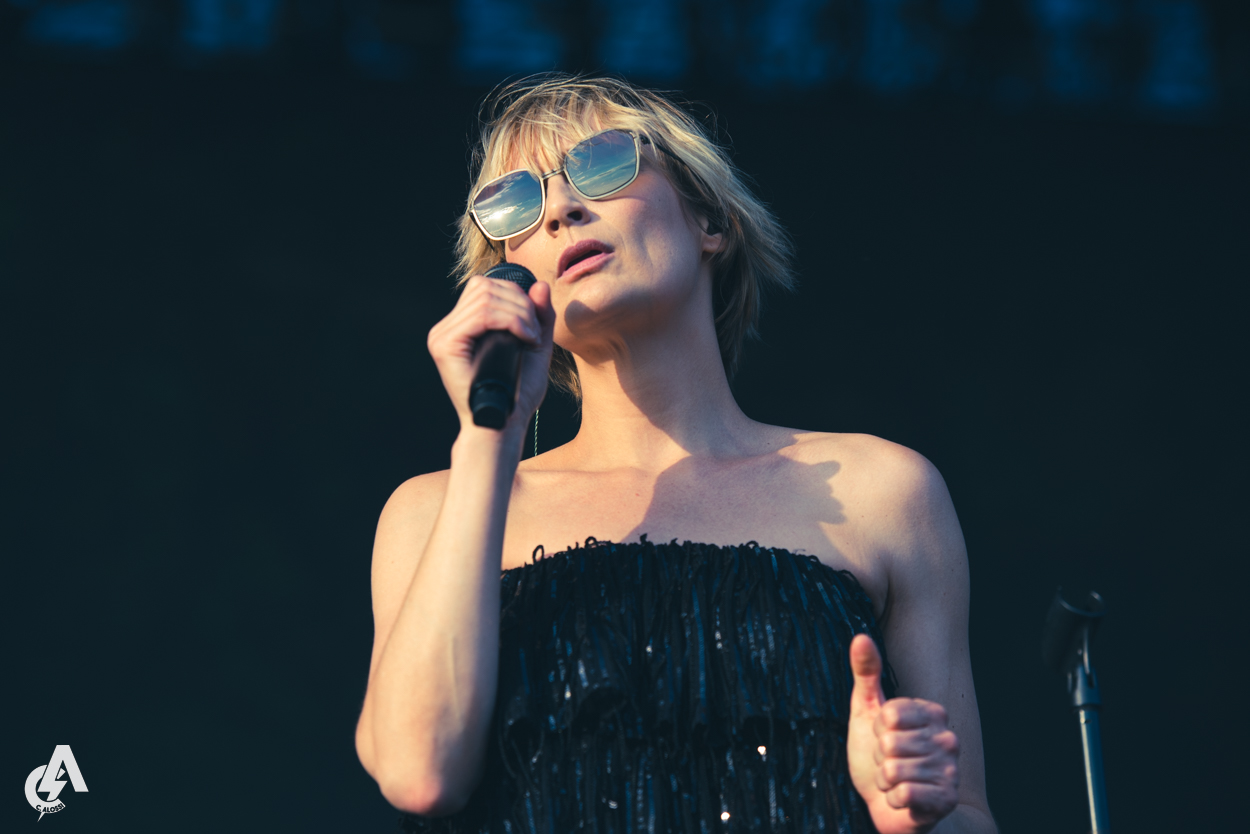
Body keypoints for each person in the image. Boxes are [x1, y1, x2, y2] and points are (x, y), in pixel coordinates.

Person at [355, 74, 996, 834]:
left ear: (708, 220)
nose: (559, 210)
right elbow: (419, 774)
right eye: (515, 205)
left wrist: (911, 810)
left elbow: (969, 815)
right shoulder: (433, 511)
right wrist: (487, 437)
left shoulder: (883, 492)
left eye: (602, 164)